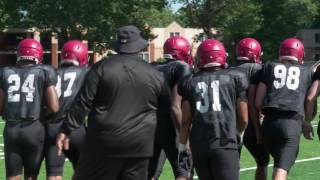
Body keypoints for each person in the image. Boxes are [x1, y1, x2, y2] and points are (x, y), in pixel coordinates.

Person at [56, 25, 169, 180]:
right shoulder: (155, 74)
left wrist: (66, 129)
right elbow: (166, 109)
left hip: (103, 142)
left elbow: (83, 103)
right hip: (139, 144)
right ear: (139, 46)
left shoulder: (101, 68)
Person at [178, 39, 249, 180]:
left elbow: (185, 120)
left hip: (199, 145)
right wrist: (238, 133)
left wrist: (181, 146)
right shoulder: (236, 77)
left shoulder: (189, 81)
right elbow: (244, 118)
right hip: (225, 142)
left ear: (200, 58)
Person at [255, 38, 317, 180]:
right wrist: (307, 122)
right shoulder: (306, 71)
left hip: (269, 124)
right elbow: (309, 99)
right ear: (300, 54)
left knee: (277, 164)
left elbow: (258, 101)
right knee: (281, 169)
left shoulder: (269, 66)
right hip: (291, 124)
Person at [0, 38, 59, 180]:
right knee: (31, 176)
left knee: (12, 176)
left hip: (12, 127)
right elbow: (54, 106)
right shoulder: (45, 71)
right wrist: (42, 115)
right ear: (37, 54)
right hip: (34, 127)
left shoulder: (5, 72)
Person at [148, 36, 192, 180]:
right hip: (171, 126)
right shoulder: (181, 67)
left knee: (150, 174)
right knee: (183, 173)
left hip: (151, 126)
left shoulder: (153, 66)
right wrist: (184, 139)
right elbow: (175, 106)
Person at [44, 40, 89, 180]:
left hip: (53, 127)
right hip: (76, 127)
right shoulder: (87, 72)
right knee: (84, 172)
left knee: (54, 173)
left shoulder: (51, 73)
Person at [234, 37, 270, 180]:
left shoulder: (228, 71)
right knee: (263, 161)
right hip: (250, 123)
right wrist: (258, 128)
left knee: (230, 166)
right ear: (255, 53)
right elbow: (257, 102)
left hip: (229, 125)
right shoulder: (259, 69)